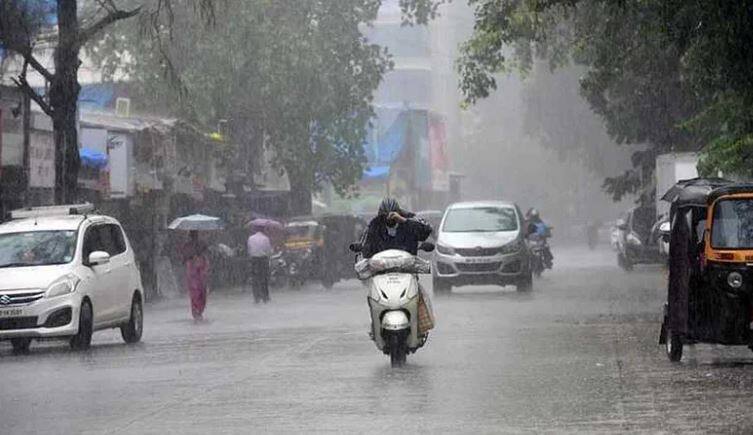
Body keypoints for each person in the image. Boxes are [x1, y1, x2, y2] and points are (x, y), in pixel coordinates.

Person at [361, 197, 433, 259]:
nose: (389, 218)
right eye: (385, 216)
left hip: (407, 266)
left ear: (399, 212)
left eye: (393, 216)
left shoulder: (409, 218)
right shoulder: (375, 225)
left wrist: (404, 221)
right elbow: (366, 245)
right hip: (381, 267)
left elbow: (426, 230)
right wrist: (365, 249)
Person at [181, 231, 210, 322]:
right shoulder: (201, 244)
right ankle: (198, 310)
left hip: (195, 270)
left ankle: (197, 311)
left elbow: (183, 258)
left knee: (196, 291)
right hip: (198, 270)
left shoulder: (189, 245)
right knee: (200, 291)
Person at [247, 227, 273, 303]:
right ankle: (265, 296)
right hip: (263, 260)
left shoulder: (250, 238)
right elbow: (268, 251)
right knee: (264, 278)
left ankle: (256, 297)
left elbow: (249, 250)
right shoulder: (265, 238)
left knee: (255, 279)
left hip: (254, 260)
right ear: (263, 230)